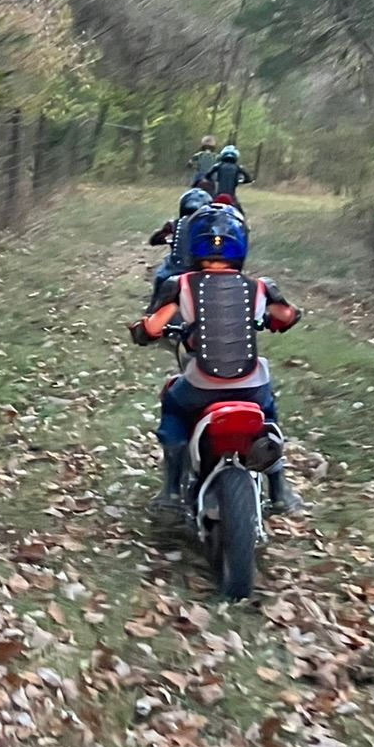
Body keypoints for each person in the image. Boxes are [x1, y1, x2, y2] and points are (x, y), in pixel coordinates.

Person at [128, 203, 304, 513]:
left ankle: (170, 492)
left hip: (200, 386)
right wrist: (273, 318)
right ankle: (280, 492)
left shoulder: (179, 284)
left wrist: (144, 331)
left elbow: (153, 327)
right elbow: (287, 316)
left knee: (173, 399)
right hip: (250, 387)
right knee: (269, 413)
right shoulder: (260, 287)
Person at [145, 186, 213, 311]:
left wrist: (164, 239)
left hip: (176, 268)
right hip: (200, 268)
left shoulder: (175, 223)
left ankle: (152, 311)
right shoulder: (210, 226)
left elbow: (154, 240)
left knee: (161, 277)